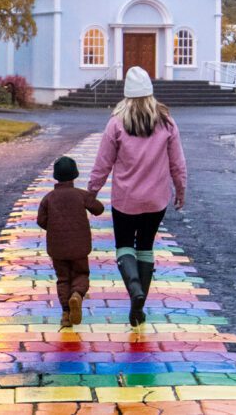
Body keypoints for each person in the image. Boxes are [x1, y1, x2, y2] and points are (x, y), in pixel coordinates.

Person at [88, 66, 187, 326]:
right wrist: (181, 189)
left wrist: (91, 192)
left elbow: (103, 163)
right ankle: (138, 307)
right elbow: (177, 162)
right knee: (145, 247)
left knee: (124, 246)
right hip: (156, 200)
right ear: (150, 93)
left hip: (125, 200)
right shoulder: (166, 122)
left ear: (127, 95)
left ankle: (134, 289)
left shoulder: (116, 123)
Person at [37, 156, 104, 327]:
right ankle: (77, 295)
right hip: (80, 246)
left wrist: (53, 228)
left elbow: (41, 220)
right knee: (81, 274)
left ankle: (66, 314)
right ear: (75, 175)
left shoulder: (48, 198)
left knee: (63, 278)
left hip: (57, 247)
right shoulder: (81, 195)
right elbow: (99, 209)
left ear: (55, 176)